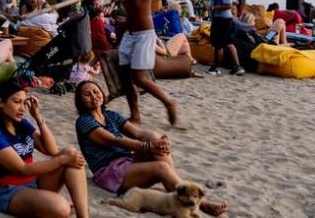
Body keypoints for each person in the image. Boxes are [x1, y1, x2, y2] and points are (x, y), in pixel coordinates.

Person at [73, 81, 228, 216]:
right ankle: (202, 204)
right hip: (109, 172)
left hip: (127, 163)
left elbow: (139, 133)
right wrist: (148, 147)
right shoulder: (83, 121)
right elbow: (113, 141)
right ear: (80, 101)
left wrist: (162, 140)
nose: (93, 96)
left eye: (96, 91)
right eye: (87, 94)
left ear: (102, 93)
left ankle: (174, 186)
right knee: (161, 167)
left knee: (153, 136)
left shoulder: (110, 114)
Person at [0, 78, 89, 218]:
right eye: (16, 102)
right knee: (61, 208)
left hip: (34, 182)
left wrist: (38, 117)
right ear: (1, 102)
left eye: (23, 102)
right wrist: (62, 160)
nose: (22, 108)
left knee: (72, 153)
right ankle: (49, 203)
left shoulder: (21, 123)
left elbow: (51, 149)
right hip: (8, 190)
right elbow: (23, 169)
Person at [98, 0, 178, 126]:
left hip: (144, 35)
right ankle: (135, 115)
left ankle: (168, 103)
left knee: (140, 78)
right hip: (129, 34)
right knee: (125, 76)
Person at [210, 0, 244, 75]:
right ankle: (237, 67)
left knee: (219, 44)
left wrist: (213, 8)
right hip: (221, 19)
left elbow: (228, 5)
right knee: (227, 42)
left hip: (222, 20)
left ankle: (215, 67)